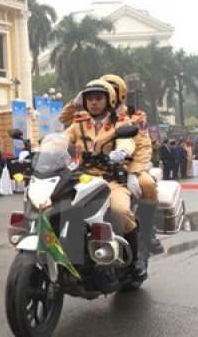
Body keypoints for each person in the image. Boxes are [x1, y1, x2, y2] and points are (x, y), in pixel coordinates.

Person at [64, 79, 147, 281]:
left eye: (98, 99)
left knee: (120, 210)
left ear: (108, 100)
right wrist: (39, 150)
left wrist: (121, 152)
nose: (93, 103)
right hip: (81, 178)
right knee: (55, 204)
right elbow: (61, 139)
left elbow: (127, 141)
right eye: (90, 99)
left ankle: (135, 260)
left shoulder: (121, 123)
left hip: (110, 180)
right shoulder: (79, 124)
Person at [99, 73, 164, 254]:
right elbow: (66, 123)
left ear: (119, 94)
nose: (106, 96)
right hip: (99, 168)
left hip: (129, 164)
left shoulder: (133, 116)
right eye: (103, 92)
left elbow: (142, 146)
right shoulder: (91, 116)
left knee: (147, 184)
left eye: (110, 91)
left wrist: (134, 172)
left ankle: (147, 231)